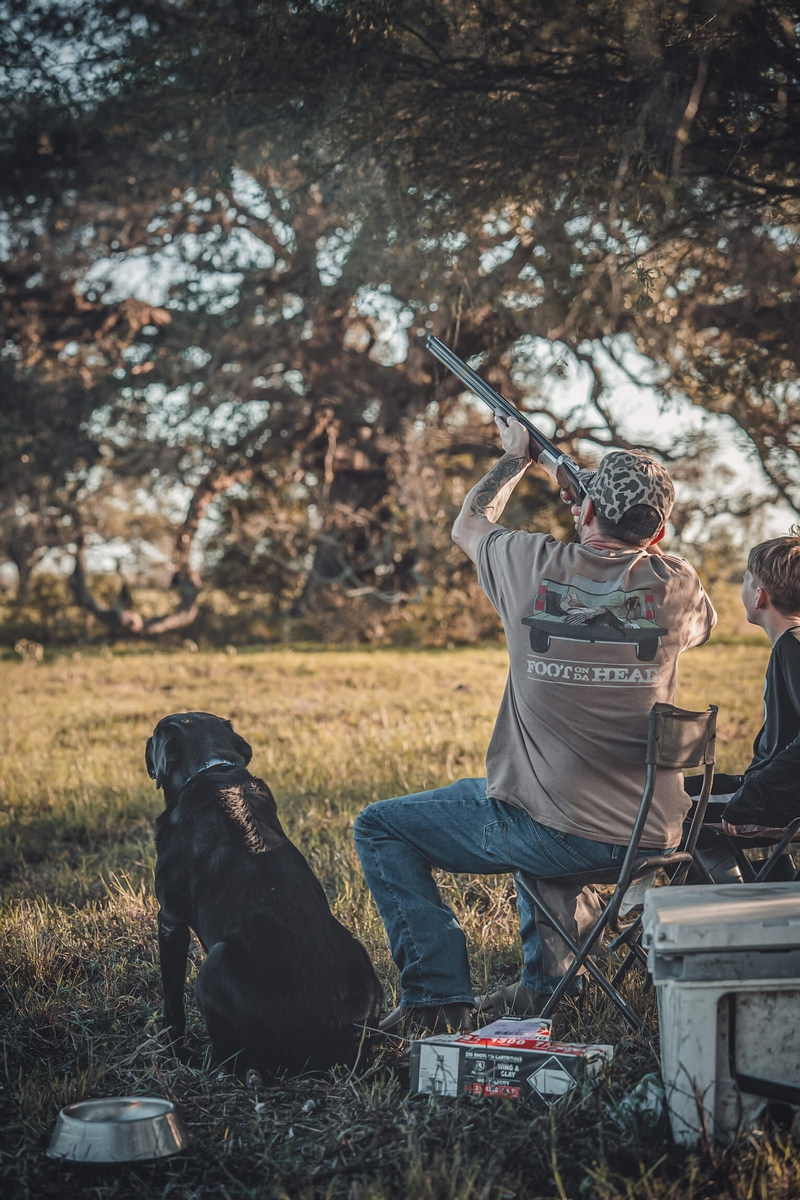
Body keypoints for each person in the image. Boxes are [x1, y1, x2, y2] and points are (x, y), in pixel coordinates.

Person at [353, 417, 716, 1033]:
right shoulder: (677, 586)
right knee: (531, 794)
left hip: (557, 827)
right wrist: (597, 507)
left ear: (586, 510)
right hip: (649, 838)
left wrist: (518, 459)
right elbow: (688, 606)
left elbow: (469, 524)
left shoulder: (527, 562)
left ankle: (436, 997)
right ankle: (553, 988)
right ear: (657, 530)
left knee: (383, 827)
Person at [685, 532, 800, 876]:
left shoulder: (791, 648)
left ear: (760, 596)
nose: (743, 588)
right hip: (775, 793)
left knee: (669, 810)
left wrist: (752, 795)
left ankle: (716, 911)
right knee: (676, 791)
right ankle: (773, 884)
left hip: (778, 802)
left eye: (746, 580)